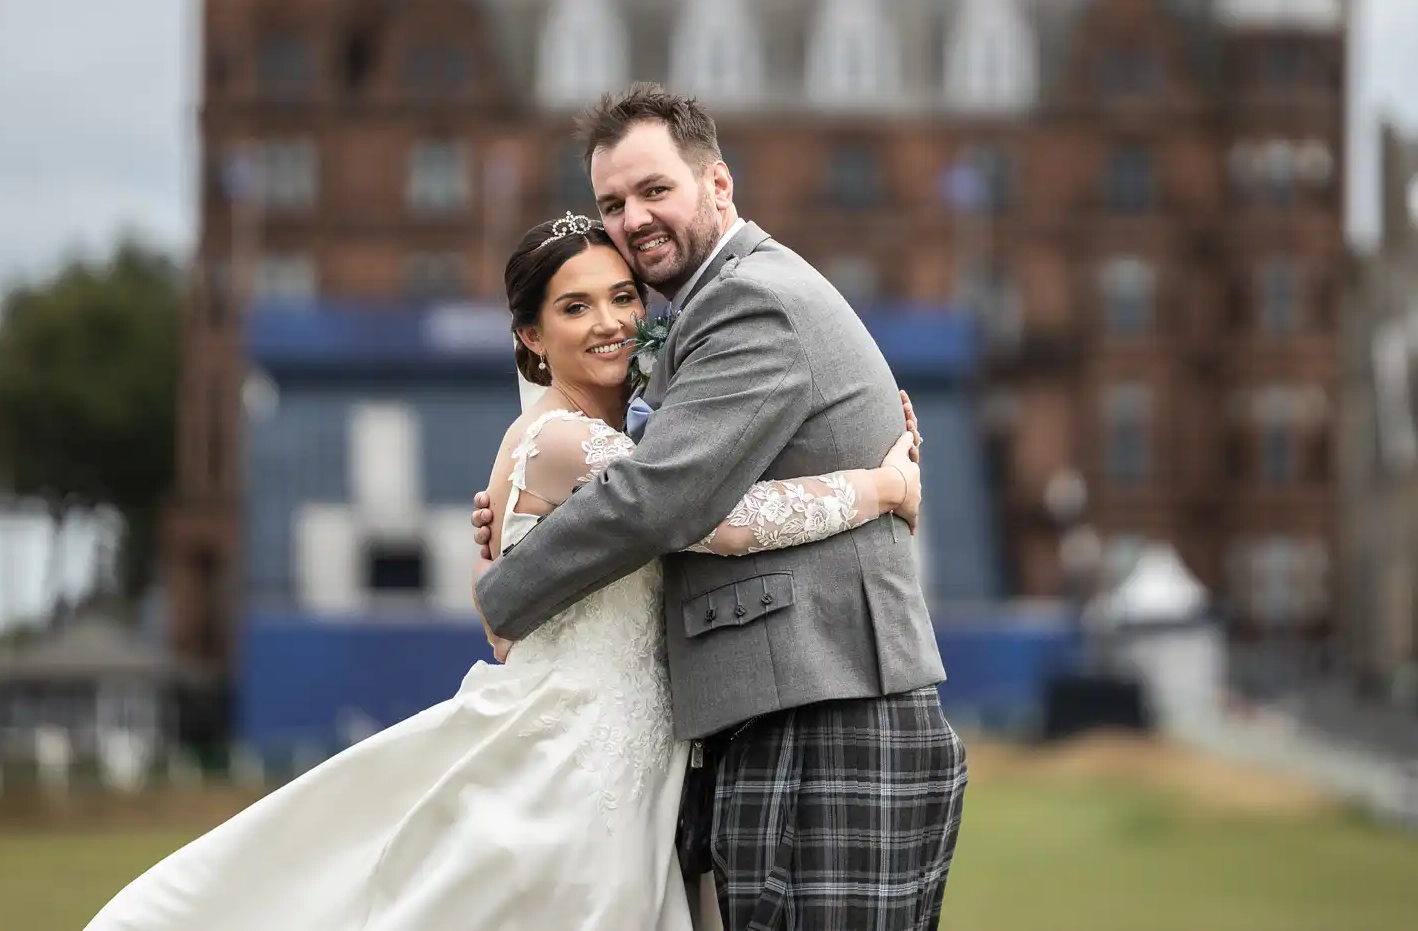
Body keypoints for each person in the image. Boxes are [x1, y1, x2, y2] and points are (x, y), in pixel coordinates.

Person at [82, 213, 924, 931]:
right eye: (575, 305)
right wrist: (878, 483)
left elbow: (510, 613)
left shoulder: (607, 434)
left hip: (632, 752)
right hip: (576, 756)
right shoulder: (567, 441)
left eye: (623, 296)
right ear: (530, 335)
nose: (610, 321)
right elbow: (717, 519)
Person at [473, 84, 966, 931]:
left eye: (654, 190)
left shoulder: (748, 299)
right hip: (792, 712)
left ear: (719, 185)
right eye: (613, 203)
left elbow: (664, 497)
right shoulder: (711, 307)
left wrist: (505, 583)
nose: (633, 218)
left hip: (828, 717)